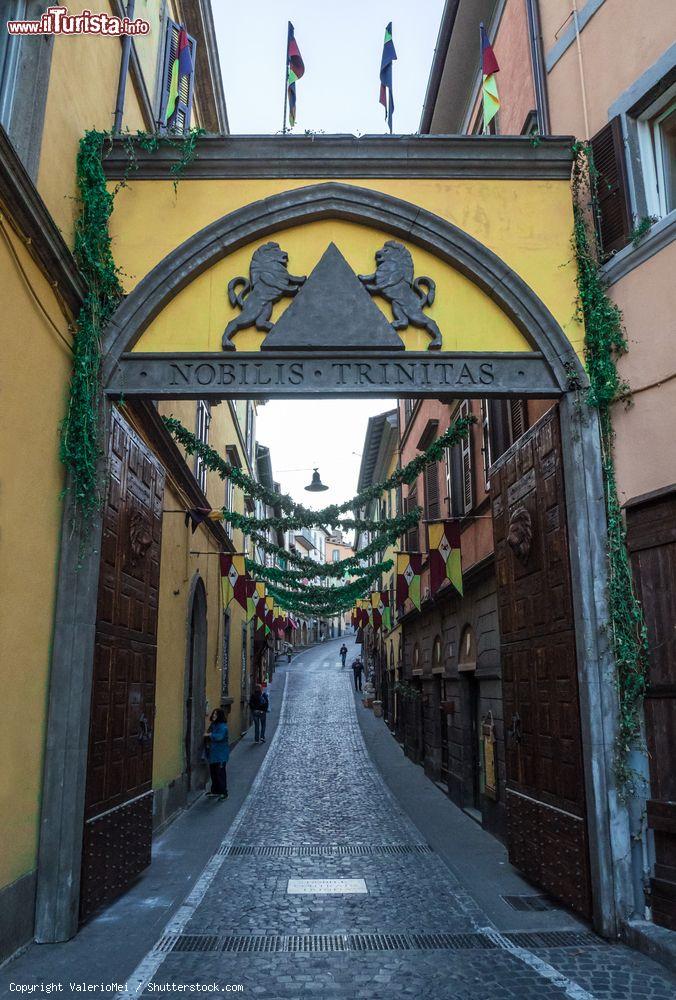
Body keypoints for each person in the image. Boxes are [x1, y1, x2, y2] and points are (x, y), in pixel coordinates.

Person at [205, 708, 229, 801]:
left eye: (216, 714)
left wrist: (209, 735)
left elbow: (219, 737)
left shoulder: (223, 726)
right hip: (213, 754)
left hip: (220, 755)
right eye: (213, 713)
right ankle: (215, 790)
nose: (214, 715)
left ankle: (224, 792)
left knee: (220, 774)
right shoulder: (214, 725)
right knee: (214, 773)